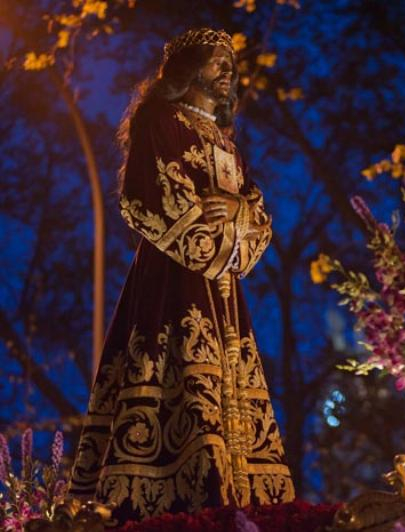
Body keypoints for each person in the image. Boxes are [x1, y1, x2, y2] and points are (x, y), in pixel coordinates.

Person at [67, 28, 294, 525]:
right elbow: (147, 196)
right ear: (187, 68)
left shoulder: (227, 144)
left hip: (226, 298)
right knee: (180, 386)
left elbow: (257, 216)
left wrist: (237, 210)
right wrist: (219, 232)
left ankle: (239, 502)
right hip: (172, 283)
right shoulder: (160, 120)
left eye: (231, 63)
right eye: (216, 60)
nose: (227, 70)